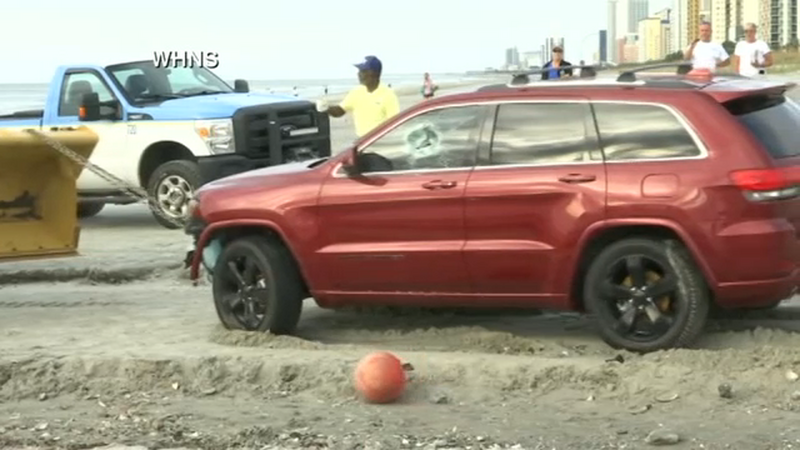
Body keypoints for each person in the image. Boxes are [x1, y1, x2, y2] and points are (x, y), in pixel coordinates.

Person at [316, 56, 400, 138]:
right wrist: (326, 108)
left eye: (363, 71)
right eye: (359, 71)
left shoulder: (388, 95)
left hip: (381, 143)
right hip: (362, 143)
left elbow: (394, 123)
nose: (359, 74)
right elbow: (340, 111)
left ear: (374, 73)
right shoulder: (356, 92)